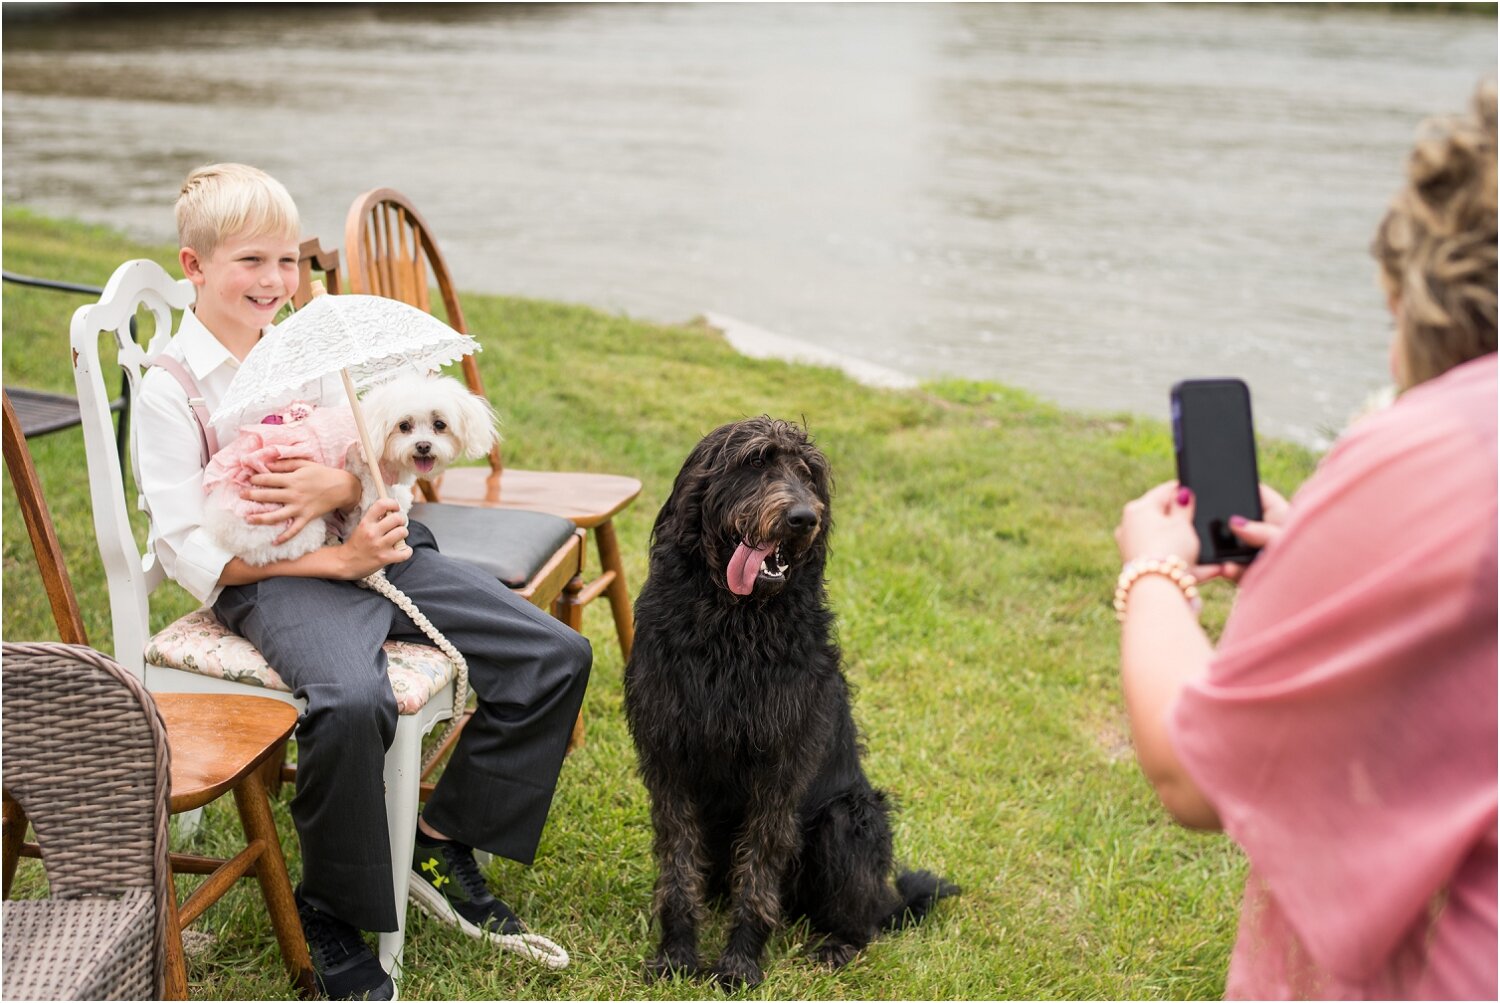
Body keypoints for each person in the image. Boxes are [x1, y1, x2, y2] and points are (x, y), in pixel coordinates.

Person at [135, 163, 592, 1000]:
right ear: (194, 267)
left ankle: (443, 833)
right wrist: (332, 559)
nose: (275, 281)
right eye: (250, 262)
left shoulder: (306, 354)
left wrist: (343, 491)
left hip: (370, 539)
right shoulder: (172, 390)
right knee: (351, 701)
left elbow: (380, 460)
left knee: (553, 653)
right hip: (272, 575)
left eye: (287, 261)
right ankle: (331, 909)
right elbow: (188, 552)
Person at [1114, 82, 1496, 999]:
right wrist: (1332, 573)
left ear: (1425, 297)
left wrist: (1154, 570)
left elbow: (1190, 770)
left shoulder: (1444, 443)